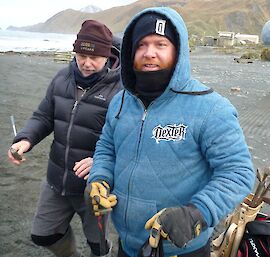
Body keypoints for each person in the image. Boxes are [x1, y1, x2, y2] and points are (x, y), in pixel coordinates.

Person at [87, 7, 255, 257]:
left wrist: (196, 213)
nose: (149, 53)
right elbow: (107, 148)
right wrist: (99, 179)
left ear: (179, 51)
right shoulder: (120, 102)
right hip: (128, 243)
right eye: (141, 44)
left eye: (160, 44)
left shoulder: (210, 107)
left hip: (182, 248)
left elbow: (238, 173)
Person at [7, 20, 122, 257]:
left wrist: (100, 163)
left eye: (94, 58)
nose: (86, 64)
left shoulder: (122, 90)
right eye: (81, 55)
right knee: (43, 234)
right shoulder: (62, 78)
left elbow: (128, 139)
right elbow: (44, 116)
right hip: (56, 179)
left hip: (95, 187)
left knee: (98, 247)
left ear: (107, 55)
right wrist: (26, 139)